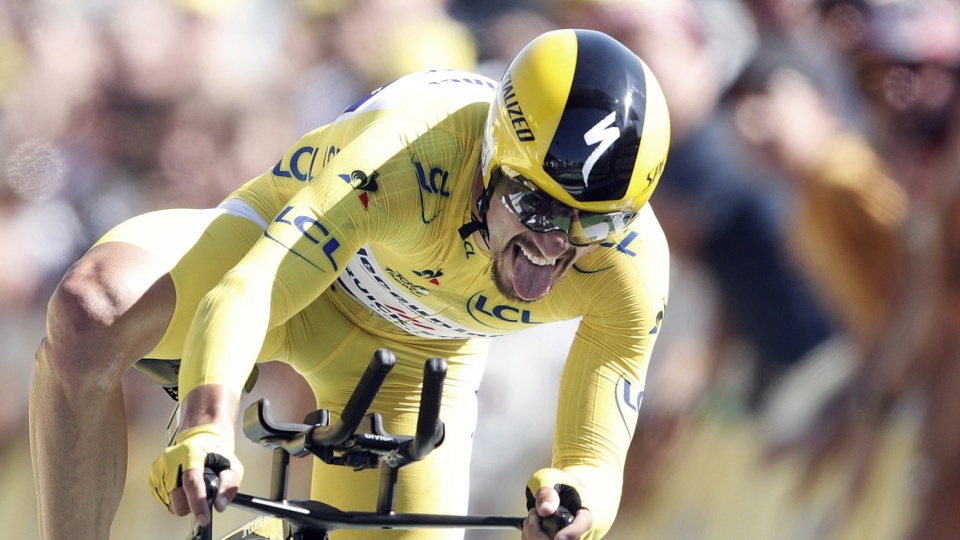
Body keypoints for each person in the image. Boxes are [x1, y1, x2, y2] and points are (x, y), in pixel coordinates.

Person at [30, 28, 672, 540]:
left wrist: (578, 502)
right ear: (488, 161)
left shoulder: (631, 265)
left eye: (596, 225)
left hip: (412, 358)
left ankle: (284, 537)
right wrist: (206, 423)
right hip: (287, 270)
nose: (555, 246)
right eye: (537, 211)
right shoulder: (411, 156)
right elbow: (254, 286)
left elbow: (595, 459)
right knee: (93, 309)